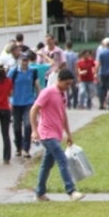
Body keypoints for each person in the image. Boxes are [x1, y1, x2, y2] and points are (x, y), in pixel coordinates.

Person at [30, 68, 85, 202]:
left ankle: (39, 193)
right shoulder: (48, 92)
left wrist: (69, 134)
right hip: (46, 133)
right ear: (59, 80)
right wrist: (34, 130)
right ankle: (71, 191)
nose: (68, 87)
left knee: (47, 164)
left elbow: (63, 114)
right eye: (66, 83)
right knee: (62, 160)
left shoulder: (63, 94)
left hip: (56, 133)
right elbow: (34, 109)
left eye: (70, 84)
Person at [8, 52, 40, 159]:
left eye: (26, 60)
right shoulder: (14, 72)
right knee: (16, 127)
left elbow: (37, 85)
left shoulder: (33, 71)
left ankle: (26, 148)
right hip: (16, 102)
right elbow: (8, 86)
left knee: (28, 125)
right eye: (23, 60)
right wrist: (8, 100)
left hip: (28, 102)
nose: (25, 62)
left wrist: (39, 99)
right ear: (19, 60)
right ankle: (18, 146)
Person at [64, 42, 79, 109]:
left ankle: (68, 103)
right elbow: (75, 66)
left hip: (65, 74)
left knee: (66, 90)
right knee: (74, 90)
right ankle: (75, 104)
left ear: (65, 46)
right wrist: (77, 75)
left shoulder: (63, 54)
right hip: (72, 74)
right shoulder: (74, 55)